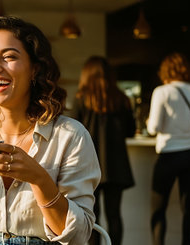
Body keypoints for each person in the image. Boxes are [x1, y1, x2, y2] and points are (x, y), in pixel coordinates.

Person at [0, 16, 101, 245]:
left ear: (35, 69)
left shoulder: (70, 136)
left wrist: (39, 178)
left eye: (9, 57)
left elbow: (78, 235)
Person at [71, 56, 135, 245]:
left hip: (88, 164)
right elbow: (130, 131)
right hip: (116, 166)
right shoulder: (122, 99)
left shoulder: (81, 99)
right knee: (114, 214)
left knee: (92, 215)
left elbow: (72, 131)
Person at [147, 52, 190, 245]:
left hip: (169, 155)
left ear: (165, 71)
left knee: (158, 208)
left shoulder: (162, 92)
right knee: (189, 207)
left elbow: (153, 128)